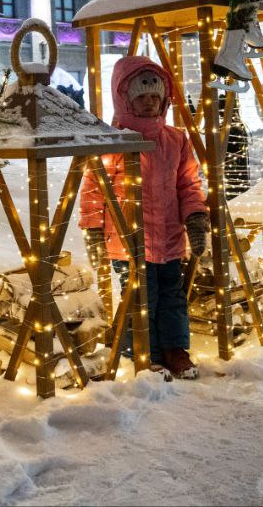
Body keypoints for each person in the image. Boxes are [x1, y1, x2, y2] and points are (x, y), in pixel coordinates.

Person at [79, 55, 208, 380]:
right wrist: (94, 231)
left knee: (173, 298)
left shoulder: (176, 140)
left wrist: (194, 218)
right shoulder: (114, 142)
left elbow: (188, 183)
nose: (150, 104)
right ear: (126, 100)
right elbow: (95, 187)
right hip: (129, 242)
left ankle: (175, 350)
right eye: (142, 97)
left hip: (169, 240)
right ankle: (143, 354)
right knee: (140, 299)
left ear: (165, 99)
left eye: (155, 97)